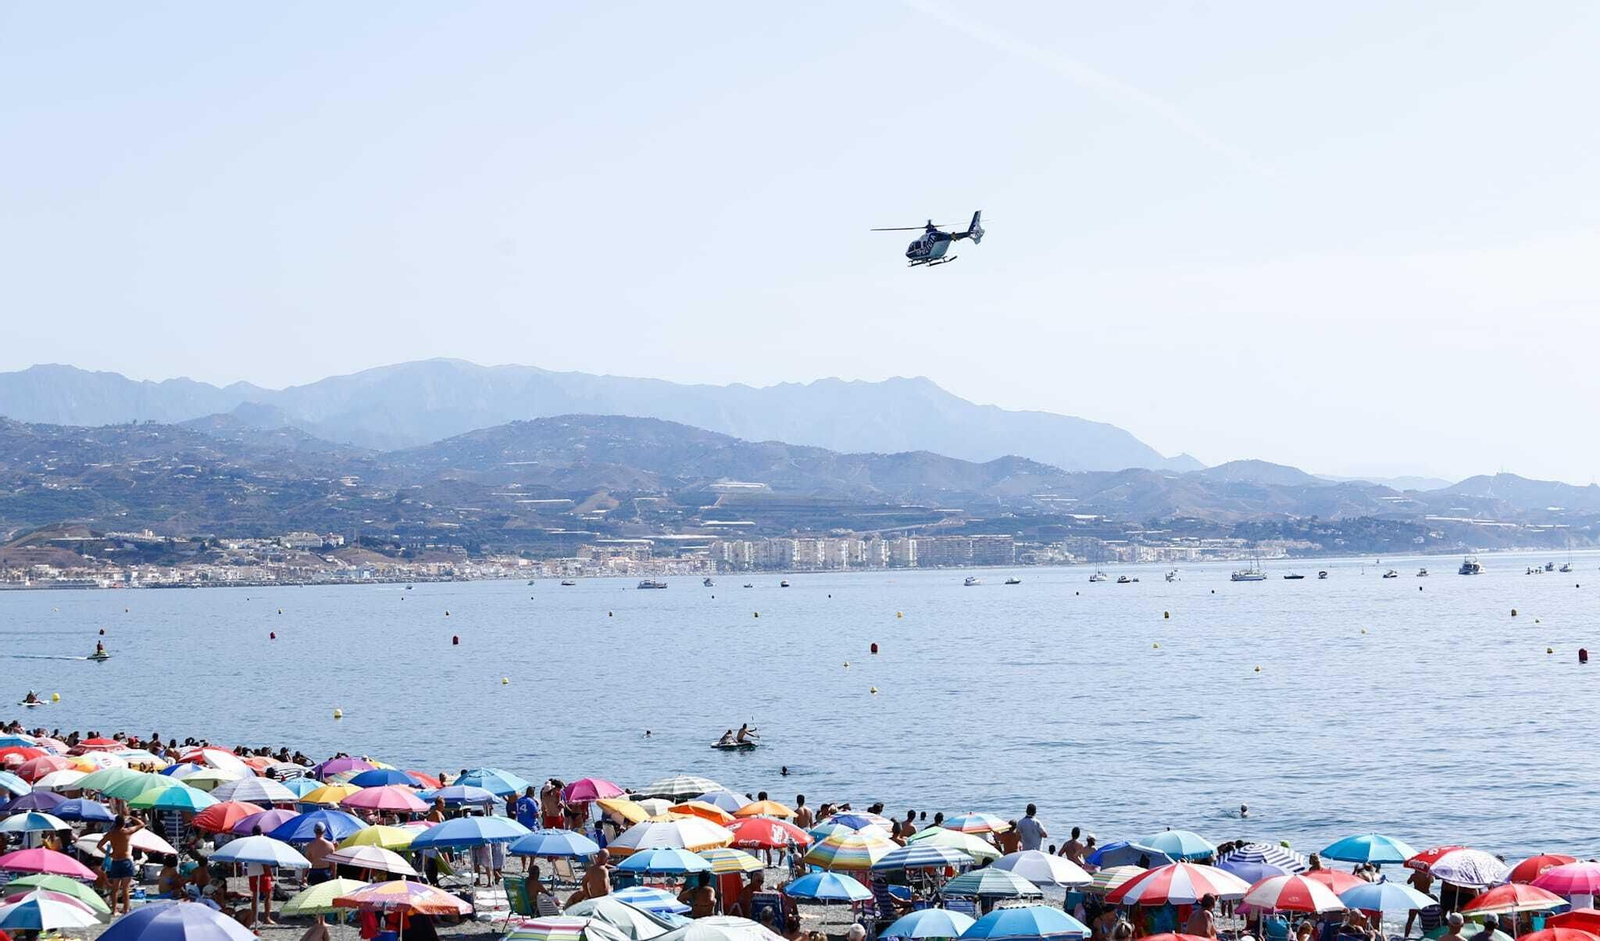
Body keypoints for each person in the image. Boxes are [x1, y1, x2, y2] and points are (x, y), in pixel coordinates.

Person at [97, 814, 146, 915]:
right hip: (125, 861)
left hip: (115, 861)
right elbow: (142, 824)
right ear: (124, 823)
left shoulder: (111, 834)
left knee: (115, 888)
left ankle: (114, 910)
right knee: (125, 889)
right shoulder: (127, 832)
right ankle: (126, 909)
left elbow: (99, 845)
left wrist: (108, 853)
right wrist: (131, 816)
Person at [1405, 867, 1436, 937]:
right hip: (1427, 897)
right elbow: (1432, 881)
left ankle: (1406, 936)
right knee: (1427, 918)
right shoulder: (1428, 875)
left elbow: (1408, 882)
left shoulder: (1414, 876)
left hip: (1416, 897)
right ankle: (1429, 935)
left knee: (1410, 919)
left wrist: (1413, 876)